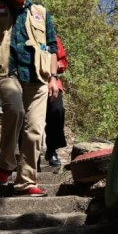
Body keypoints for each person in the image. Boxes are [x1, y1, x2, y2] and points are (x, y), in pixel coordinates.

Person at [0, 0, 59, 197]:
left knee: (35, 130)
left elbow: (52, 46)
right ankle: (5, 165)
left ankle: (26, 181)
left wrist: (53, 77)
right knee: (14, 110)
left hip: (38, 77)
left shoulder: (41, 12)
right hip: (7, 73)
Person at [44, 35, 68, 166]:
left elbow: (63, 62)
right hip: (31, 82)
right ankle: (30, 155)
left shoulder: (53, 37)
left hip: (53, 82)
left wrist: (52, 66)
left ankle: (52, 149)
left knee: (57, 110)